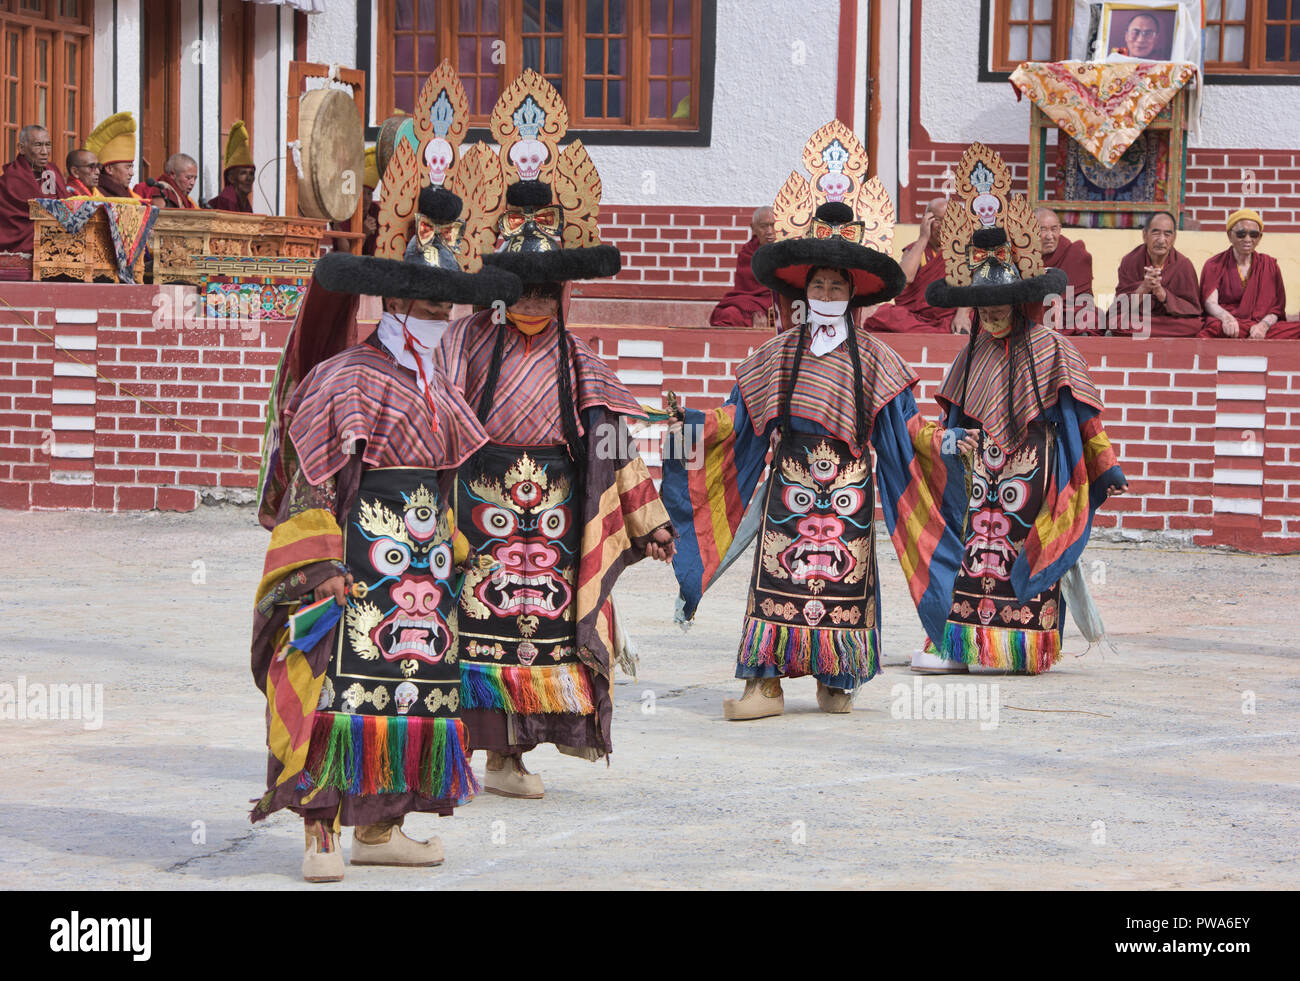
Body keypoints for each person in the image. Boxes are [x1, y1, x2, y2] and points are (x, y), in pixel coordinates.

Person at [250, 183, 524, 882]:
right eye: (425, 304)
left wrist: (462, 554)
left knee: (407, 695)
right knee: (331, 694)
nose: (438, 316)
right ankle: (320, 833)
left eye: (446, 306)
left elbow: (449, 483)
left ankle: (380, 825)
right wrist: (319, 569)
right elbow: (313, 477)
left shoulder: (441, 384)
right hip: (352, 562)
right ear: (394, 303)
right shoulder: (344, 379)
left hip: (422, 572)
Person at [661, 121, 978, 719]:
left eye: (837, 283)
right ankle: (764, 683)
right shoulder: (778, 351)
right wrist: (689, 425)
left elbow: (906, 433)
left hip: (850, 492)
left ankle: (839, 679)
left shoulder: (881, 358)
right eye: (818, 283)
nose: (827, 290)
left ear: (853, 294)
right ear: (803, 292)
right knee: (776, 579)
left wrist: (950, 443)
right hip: (790, 484)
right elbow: (737, 421)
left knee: (843, 586)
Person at [436, 70, 675, 798]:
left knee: (536, 641)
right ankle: (463, 757)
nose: (535, 300)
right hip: (480, 509)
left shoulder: (579, 359)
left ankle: (512, 759)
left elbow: (610, 440)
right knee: (476, 635)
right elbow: (436, 420)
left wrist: (648, 518)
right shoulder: (465, 343)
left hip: (555, 516)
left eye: (547, 290)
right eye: (522, 288)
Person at [913, 143, 1127, 676]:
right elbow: (955, 418)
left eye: (1001, 303)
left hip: (1035, 467)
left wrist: (1105, 465)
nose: (993, 312)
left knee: (1024, 550)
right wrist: (945, 441)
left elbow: (1084, 415)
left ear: (1021, 299)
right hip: (980, 473)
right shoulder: (971, 353)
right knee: (976, 549)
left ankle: (1022, 646)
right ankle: (963, 646)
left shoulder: (1053, 347)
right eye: (984, 305)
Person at [867, 196, 972, 334]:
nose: (944, 226)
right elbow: (904, 278)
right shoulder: (916, 250)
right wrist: (923, 238)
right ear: (926, 221)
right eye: (938, 220)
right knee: (885, 315)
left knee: (977, 317)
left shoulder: (964, 251)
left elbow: (974, 285)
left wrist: (962, 315)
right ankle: (935, 334)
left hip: (950, 317)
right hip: (916, 318)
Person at [1199, 209, 1300, 340]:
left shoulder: (1269, 265)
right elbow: (1209, 303)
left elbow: (1276, 309)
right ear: (1230, 235)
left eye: (1254, 234)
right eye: (1241, 234)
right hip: (1230, 324)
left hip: (1262, 326)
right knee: (1215, 328)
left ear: (1260, 238)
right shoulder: (1214, 264)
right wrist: (1227, 318)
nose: (1248, 239)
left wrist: (1263, 326)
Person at [1107, 211, 1201, 337]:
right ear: (1145, 235)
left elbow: (1192, 308)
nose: (1161, 240)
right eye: (1156, 233)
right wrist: (1144, 288)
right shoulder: (1130, 261)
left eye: (1167, 234)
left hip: (1168, 319)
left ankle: (1144, 331)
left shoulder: (1183, 265)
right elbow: (1121, 305)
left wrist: (1162, 293)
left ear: (1174, 238)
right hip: (1139, 317)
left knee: (1195, 325)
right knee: (1115, 321)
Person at [0, 124, 69, 254]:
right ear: (21, 148)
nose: (44, 151)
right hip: (23, 243)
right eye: (38, 145)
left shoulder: (52, 171)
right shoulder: (12, 178)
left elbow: (66, 203)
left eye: (48, 145)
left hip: (56, 240)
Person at [708, 206, 778, 328]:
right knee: (728, 314)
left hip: (777, 304)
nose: (770, 231)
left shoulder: (787, 250)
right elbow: (745, 290)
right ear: (753, 228)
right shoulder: (748, 252)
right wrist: (755, 310)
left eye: (773, 225)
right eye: (763, 226)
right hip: (749, 303)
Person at [1034, 207, 1096, 334]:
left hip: (1068, 313)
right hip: (1035, 311)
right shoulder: (1020, 255)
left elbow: (1083, 300)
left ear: (1060, 229)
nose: (1049, 236)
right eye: (1042, 229)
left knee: (1089, 316)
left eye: (1054, 229)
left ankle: (1082, 337)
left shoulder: (1076, 254)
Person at [85, 112, 144, 200]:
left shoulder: (130, 196)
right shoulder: (96, 195)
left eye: (132, 167)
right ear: (109, 169)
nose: (132, 173)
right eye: (127, 167)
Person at [208, 121, 256, 213]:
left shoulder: (243, 201)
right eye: (243, 173)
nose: (249, 178)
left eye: (251, 173)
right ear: (231, 178)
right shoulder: (226, 200)